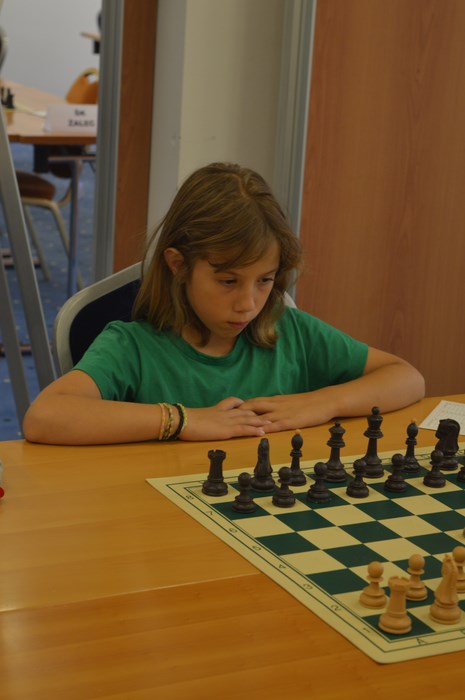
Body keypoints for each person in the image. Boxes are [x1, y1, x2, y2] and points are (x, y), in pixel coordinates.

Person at [23, 162, 425, 445]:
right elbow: (45, 417)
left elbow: (406, 377)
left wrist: (323, 402)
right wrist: (182, 419)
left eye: (265, 281)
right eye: (228, 281)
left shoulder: (290, 331)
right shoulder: (133, 346)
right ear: (179, 265)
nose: (248, 304)